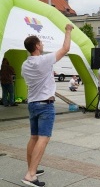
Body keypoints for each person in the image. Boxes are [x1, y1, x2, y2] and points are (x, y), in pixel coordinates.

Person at [21, 24, 74, 187]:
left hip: (33, 104)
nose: (43, 45)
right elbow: (65, 48)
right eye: (41, 43)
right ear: (36, 46)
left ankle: (32, 168)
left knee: (34, 138)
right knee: (43, 139)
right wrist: (68, 30)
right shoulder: (43, 60)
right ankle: (30, 175)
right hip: (45, 105)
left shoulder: (25, 65)